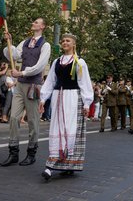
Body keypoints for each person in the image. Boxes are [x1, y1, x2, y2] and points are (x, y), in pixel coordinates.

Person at [39, 34, 93, 180]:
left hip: (73, 98)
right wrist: (43, 99)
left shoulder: (79, 62)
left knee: (70, 129)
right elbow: (50, 81)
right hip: (58, 97)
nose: (64, 42)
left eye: (67, 41)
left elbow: (84, 82)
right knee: (57, 128)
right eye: (62, 41)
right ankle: (54, 163)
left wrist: (87, 103)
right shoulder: (56, 62)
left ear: (74, 44)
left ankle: (62, 165)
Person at [0, 18, 51, 167]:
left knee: (33, 120)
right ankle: (13, 152)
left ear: (42, 26)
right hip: (20, 86)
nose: (33, 23)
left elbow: (40, 66)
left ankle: (31, 152)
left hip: (33, 85)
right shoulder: (26, 42)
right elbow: (13, 55)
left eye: (36, 22)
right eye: (33, 22)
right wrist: (9, 42)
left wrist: (21, 73)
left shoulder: (45, 45)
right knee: (14, 117)